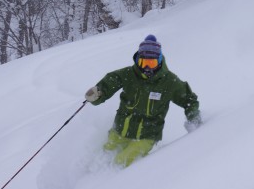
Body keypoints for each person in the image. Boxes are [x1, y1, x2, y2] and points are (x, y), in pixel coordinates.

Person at [85, 34, 201, 167]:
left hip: (147, 135)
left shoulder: (169, 82)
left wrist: (193, 116)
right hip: (121, 129)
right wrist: (98, 93)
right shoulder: (129, 74)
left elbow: (189, 99)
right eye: (143, 62)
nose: (147, 68)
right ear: (137, 60)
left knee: (122, 162)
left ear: (159, 60)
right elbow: (110, 82)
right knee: (104, 156)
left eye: (151, 63)